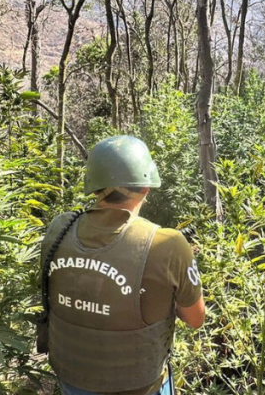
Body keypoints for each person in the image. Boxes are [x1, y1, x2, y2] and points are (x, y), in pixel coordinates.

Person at [40, 135, 206, 395]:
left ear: (94, 186)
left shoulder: (60, 227)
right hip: (140, 385)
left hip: (71, 375)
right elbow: (195, 319)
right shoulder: (168, 243)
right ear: (146, 187)